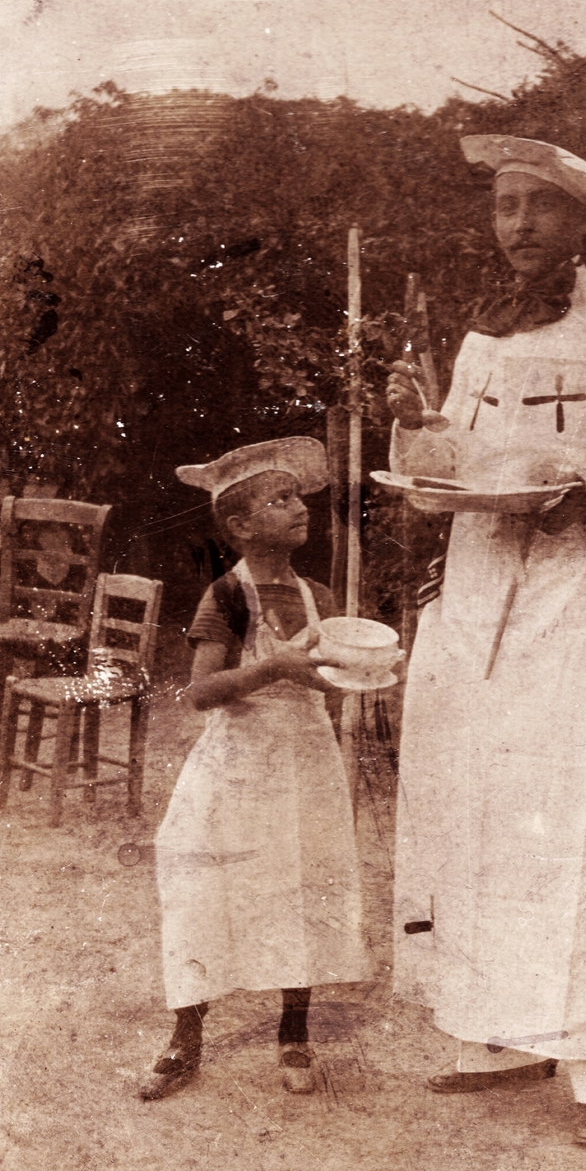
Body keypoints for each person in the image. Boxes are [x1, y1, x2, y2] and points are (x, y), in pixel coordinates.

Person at [386, 135, 586, 1148]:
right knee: (481, 822)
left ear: (582, 222)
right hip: (477, 598)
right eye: (503, 206)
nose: (516, 225)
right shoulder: (482, 338)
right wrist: (415, 422)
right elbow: (450, 469)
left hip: (576, 613)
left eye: (539, 208)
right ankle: (511, 1030)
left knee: (581, 831)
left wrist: (584, 500)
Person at [141, 437, 371, 1101]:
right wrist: (272, 667)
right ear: (241, 525)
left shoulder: (317, 593)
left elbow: (326, 680)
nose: (301, 508)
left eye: (299, 497)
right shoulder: (227, 598)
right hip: (238, 765)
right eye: (282, 499)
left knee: (301, 886)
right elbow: (201, 692)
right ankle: (186, 1036)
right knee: (204, 890)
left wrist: (366, 669)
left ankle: (294, 1033)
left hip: (305, 761)